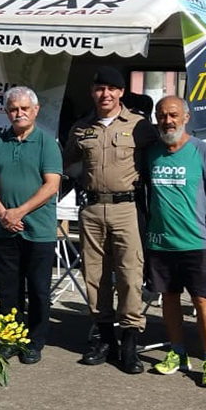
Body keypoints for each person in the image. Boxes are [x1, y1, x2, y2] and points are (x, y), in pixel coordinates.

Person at [63, 66, 158, 374]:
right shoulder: (81, 127)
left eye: (111, 89)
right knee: (95, 277)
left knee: (130, 276)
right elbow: (67, 163)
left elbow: (157, 160)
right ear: (93, 92)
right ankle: (105, 340)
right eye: (99, 89)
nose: (105, 94)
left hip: (126, 208)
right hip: (91, 209)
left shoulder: (140, 126)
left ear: (120, 92)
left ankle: (129, 342)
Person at [144, 96, 206, 387]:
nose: (168, 121)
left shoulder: (203, 151)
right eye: (162, 116)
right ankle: (177, 353)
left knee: (202, 300)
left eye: (173, 115)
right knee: (169, 298)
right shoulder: (151, 153)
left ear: (186, 117)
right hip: (160, 242)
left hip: (196, 242)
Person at [0, 86, 62, 365]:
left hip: (38, 231)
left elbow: (51, 185)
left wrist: (19, 212)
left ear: (35, 110)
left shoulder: (47, 143)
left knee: (38, 290)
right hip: (5, 230)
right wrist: (4, 213)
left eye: (25, 108)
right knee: (8, 290)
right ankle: (10, 338)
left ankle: (34, 342)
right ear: (6, 112)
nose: (19, 113)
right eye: (14, 109)